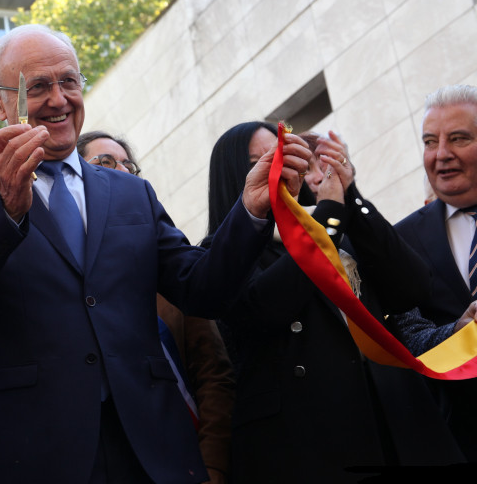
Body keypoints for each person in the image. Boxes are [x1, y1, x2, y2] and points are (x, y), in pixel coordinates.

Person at [0, 24, 311, 484]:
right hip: (33, 450)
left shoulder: (132, 193)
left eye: (69, 81)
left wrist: (248, 210)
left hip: (150, 444)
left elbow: (201, 288)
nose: (59, 99)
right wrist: (5, 208)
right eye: (39, 86)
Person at [203, 121, 463, 483]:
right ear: (235, 175)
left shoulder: (336, 225)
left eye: (289, 156)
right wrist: (327, 217)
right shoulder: (220, 253)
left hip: (398, 420)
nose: (281, 167)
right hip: (310, 442)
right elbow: (263, 309)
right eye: (263, 159)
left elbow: (413, 288)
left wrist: (350, 197)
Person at [77, 130, 235, 484]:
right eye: (103, 163)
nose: (118, 171)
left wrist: (213, 467)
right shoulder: (66, 281)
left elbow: (213, 377)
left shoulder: (169, 271)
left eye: (128, 166)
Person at [391, 84, 477, 461]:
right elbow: (403, 340)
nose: (441, 154)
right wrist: (459, 334)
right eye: (430, 142)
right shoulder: (400, 240)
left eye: (458, 138)